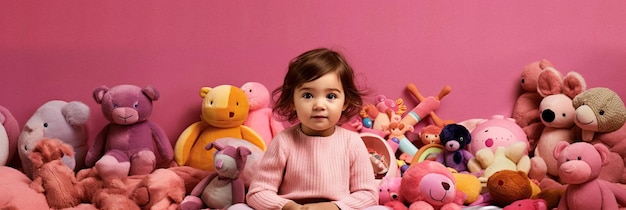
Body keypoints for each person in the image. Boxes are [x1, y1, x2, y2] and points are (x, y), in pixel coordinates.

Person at [239, 48, 380, 210]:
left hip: (336, 209)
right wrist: (287, 206)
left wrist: (334, 207)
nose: (319, 105)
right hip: (293, 209)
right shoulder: (284, 141)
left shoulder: (352, 142)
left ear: (345, 102)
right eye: (307, 95)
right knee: (237, 208)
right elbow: (258, 192)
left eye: (331, 96)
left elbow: (368, 194)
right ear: (292, 101)